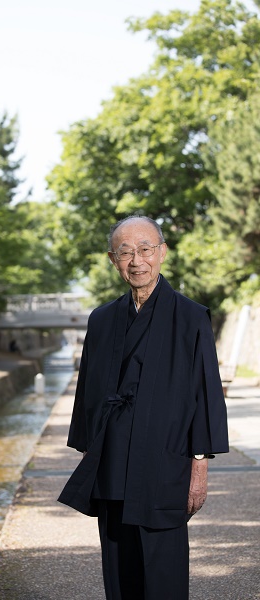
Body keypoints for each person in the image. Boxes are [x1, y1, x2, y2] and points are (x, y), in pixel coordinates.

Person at [58, 215, 229, 600]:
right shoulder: (101, 320)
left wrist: (198, 467)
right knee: (119, 571)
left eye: (145, 249)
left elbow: (206, 394)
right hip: (113, 460)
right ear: (112, 260)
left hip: (165, 461)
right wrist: (90, 452)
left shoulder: (190, 317)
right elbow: (87, 391)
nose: (136, 261)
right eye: (125, 252)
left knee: (163, 571)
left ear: (162, 253)